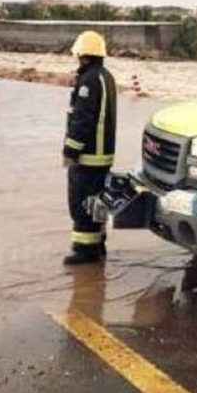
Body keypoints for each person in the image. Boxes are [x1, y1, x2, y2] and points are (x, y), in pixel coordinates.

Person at [61, 30, 116, 265]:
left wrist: (70, 151)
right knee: (98, 200)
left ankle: (85, 250)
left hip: (89, 155)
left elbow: (82, 119)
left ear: (84, 56)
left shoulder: (89, 81)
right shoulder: (106, 76)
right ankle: (98, 244)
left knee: (81, 202)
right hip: (103, 155)